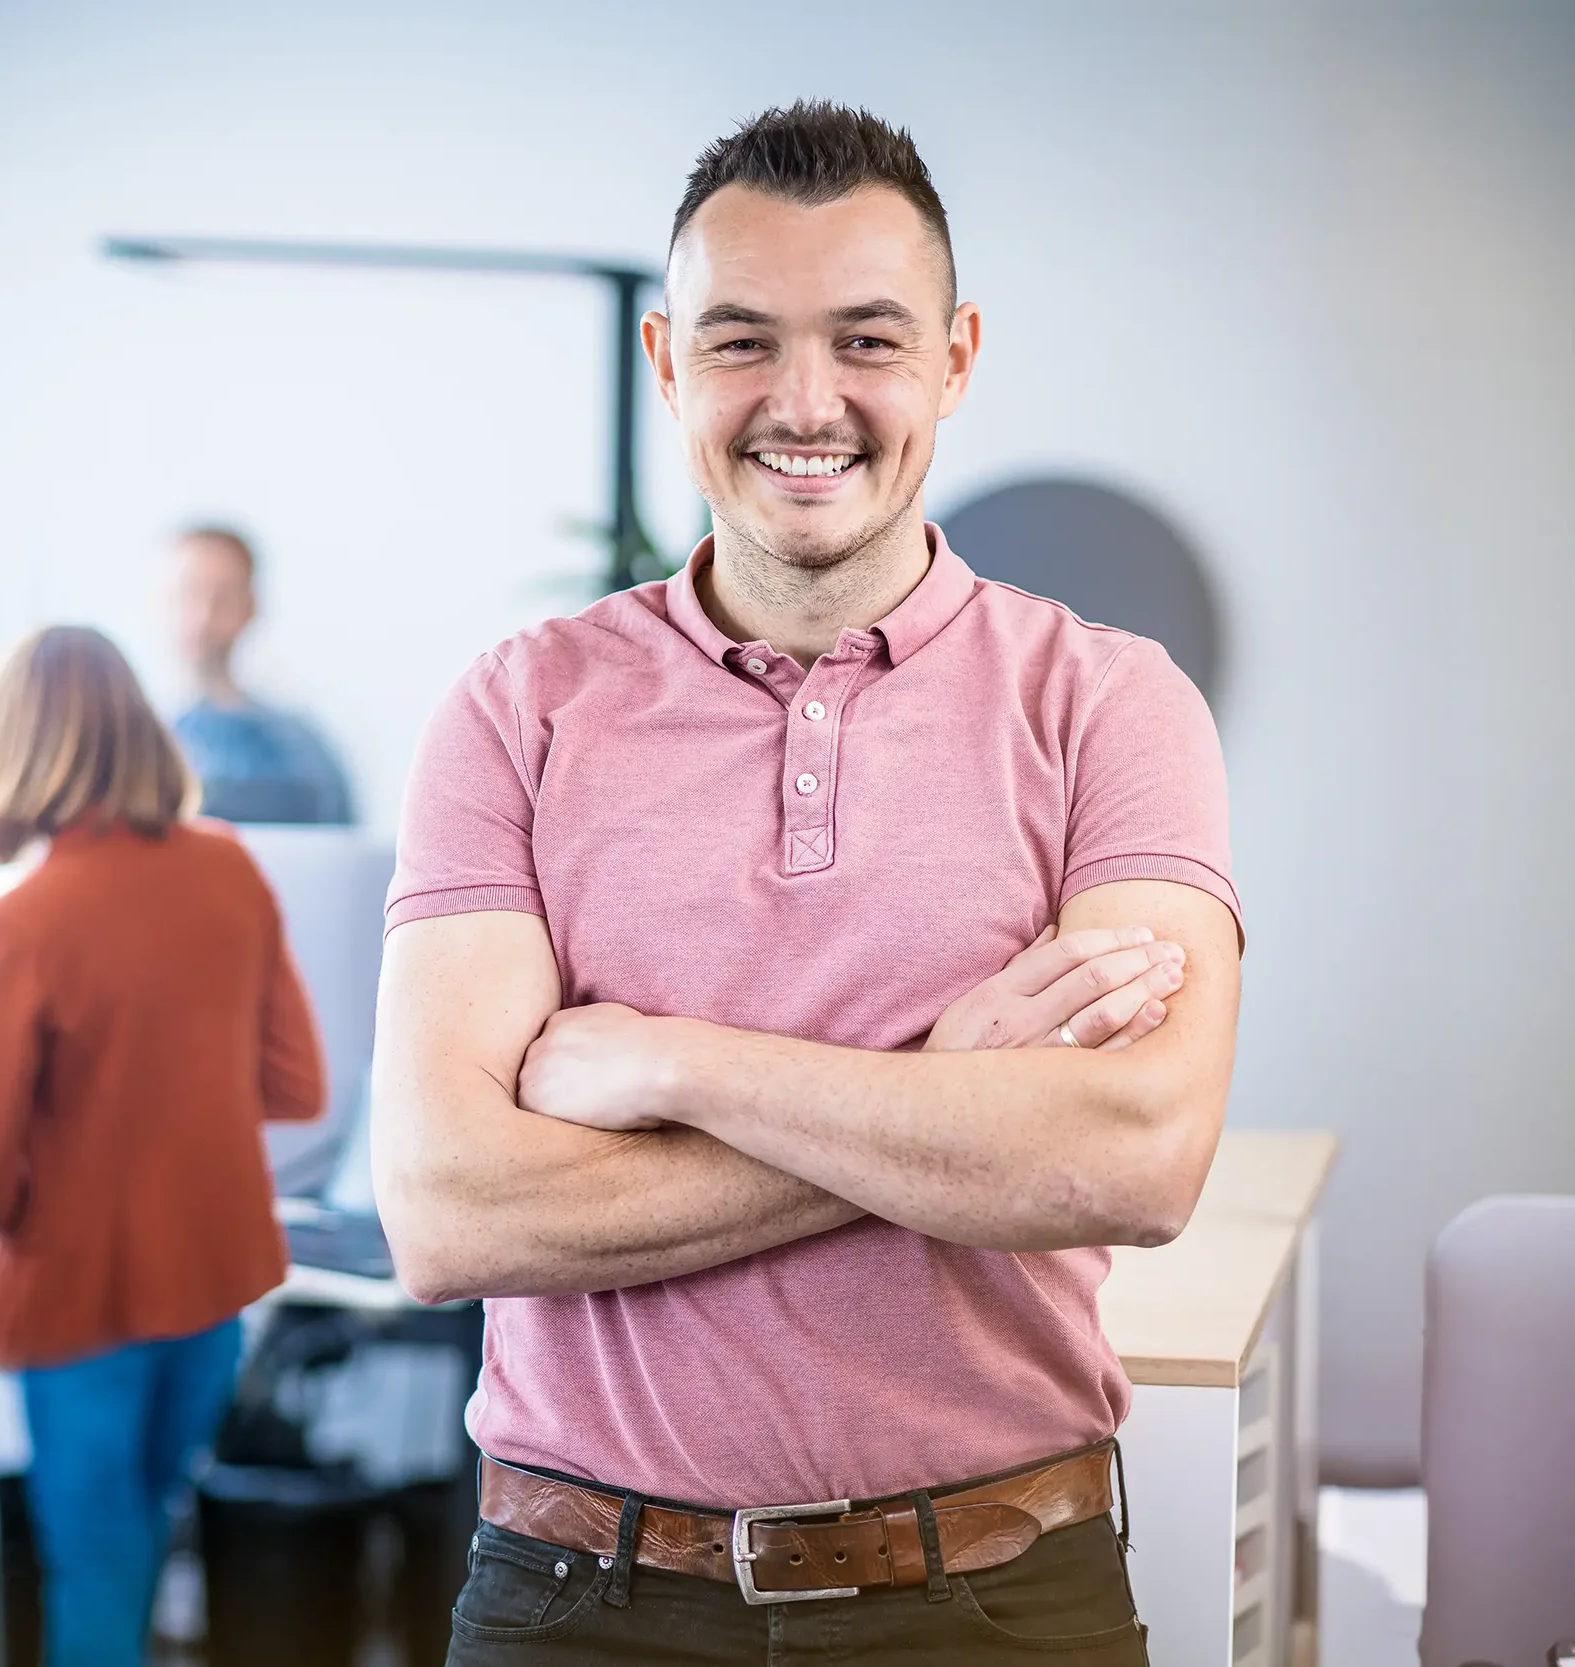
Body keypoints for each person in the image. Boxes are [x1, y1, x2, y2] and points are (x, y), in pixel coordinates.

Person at [374, 102, 1240, 1662]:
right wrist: (950, 1098)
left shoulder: (1111, 703)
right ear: (664, 363)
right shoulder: (516, 708)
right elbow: (448, 1208)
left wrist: (673, 1063)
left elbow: (1136, 1154)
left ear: (958, 358)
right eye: (742, 342)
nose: (807, 400)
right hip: (578, 1600)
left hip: (996, 1600)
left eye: (867, 339)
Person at [0, 625, 328, 1667]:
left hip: (77, 1292)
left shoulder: (20, 924)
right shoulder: (227, 865)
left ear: (11, 747)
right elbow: (297, 1085)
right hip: (210, 1284)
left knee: (94, 1563)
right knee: (148, 1527)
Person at [166, 525, 356, 824]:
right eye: (188, 593)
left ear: (250, 608)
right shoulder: (122, 742)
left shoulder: (301, 753)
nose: (203, 617)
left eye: (222, 598)